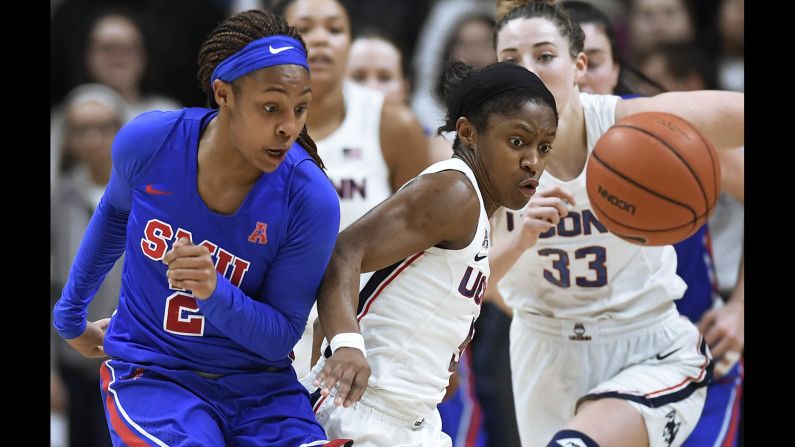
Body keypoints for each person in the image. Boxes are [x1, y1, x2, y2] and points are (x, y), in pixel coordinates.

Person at [51, 9, 352, 447]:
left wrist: (214, 291)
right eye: (271, 107)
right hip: (155, 375)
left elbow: (279, 339)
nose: (289, 126)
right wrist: (70, 315)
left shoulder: (311, 198)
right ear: (223, 94)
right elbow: (115, 215)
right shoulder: (150, 141)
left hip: (261, 389)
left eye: (300, 107)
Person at [488, 1, 743, 446]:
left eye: (544, 56)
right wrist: (519, 238)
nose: (526, 70)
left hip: (645, 346)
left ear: (579, 66)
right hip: (543, 350)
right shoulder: (479, 159)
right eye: (510, 60)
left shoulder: (630, 125)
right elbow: (463, 286)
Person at [303, 60, 558, 447]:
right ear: (468, 132)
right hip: (362, 413)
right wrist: (346, 348)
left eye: (544, 147)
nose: (533, 162)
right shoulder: (455, 192)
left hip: (411, 418)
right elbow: (343, 254)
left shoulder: (476, 211)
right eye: (517, 141)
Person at [563, 3, 745, 445]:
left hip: (692, 352)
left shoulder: (660, 132)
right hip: (577, 359)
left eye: (595, 62)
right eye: (569, 64)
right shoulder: (525, 150)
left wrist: (741, 306)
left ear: (615, 67)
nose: (582, 78)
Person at [345, 32, 489, 447]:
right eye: (359, 76)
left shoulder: (442, 166)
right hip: (322, 334)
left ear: (405, 86)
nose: (372, 87)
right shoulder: (302, 145)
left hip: (401, 355)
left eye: (384, 75)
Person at [276, 0, 432, 378]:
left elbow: (427, 239)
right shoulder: (251, 125)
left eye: (334, 29)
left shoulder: (393, 124)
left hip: (371, 329)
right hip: (275, 321)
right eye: (306, 27)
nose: (321, 40)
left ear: (349, 42)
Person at [51, 83, 128, 447]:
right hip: (73, 362)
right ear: (68, 137)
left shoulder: (145, 193)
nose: (94, 138)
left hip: (130, 358)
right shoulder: (58, 199)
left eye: (104, 126)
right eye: (82, 128)